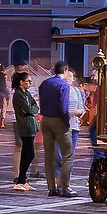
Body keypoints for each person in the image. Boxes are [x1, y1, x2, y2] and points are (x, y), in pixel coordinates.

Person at [37, 62, 76, 197]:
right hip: (58, 120)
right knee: (67, 155)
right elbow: (63, 107)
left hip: (46, 119)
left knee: (48, 156)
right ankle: (64, 188)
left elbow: (41, 101)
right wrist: (66, 123)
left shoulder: (45, 83)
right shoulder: (64, 85)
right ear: (65, 71)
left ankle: (51, 188)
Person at [9, 70, 39, 190]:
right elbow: (27, 109)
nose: (30, 83)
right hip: (24, 126)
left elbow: (35, 107)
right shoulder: (18, 94)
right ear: (21, 82)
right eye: (28, 81)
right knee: (30, 154)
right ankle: (20, 181)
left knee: (27, 153)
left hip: (30, 125)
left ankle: (22, 180)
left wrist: (32, 110)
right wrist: (31, 110)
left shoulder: (26, 93)